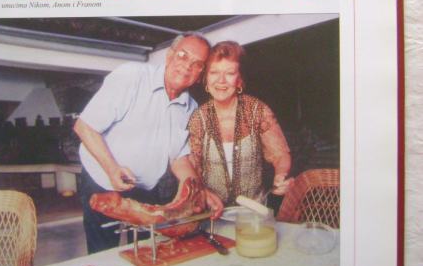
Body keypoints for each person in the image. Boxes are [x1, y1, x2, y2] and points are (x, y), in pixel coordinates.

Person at [74, 34, 223, 253]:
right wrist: (112, 168)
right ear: (170, 55)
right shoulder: (131, 76)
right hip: (102, 180)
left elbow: (179, 158)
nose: (187, 67)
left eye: (197, 64)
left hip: (145, 189)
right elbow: (84, 127)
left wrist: (198, 191)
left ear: (200, 73)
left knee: (146, 251)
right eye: (183, 56)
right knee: (104, 255)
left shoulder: (190, 107)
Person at [188, 41, 291, 206]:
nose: (221, 80)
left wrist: (281, 176)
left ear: (239, 80)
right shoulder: (198, 118)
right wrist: (203, 193)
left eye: (230, 73)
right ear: (206, 78)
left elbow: (280, 155)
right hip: (212, 213)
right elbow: (192, 168)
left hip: (254, 212)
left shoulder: (257, 110)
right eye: (214, 72)